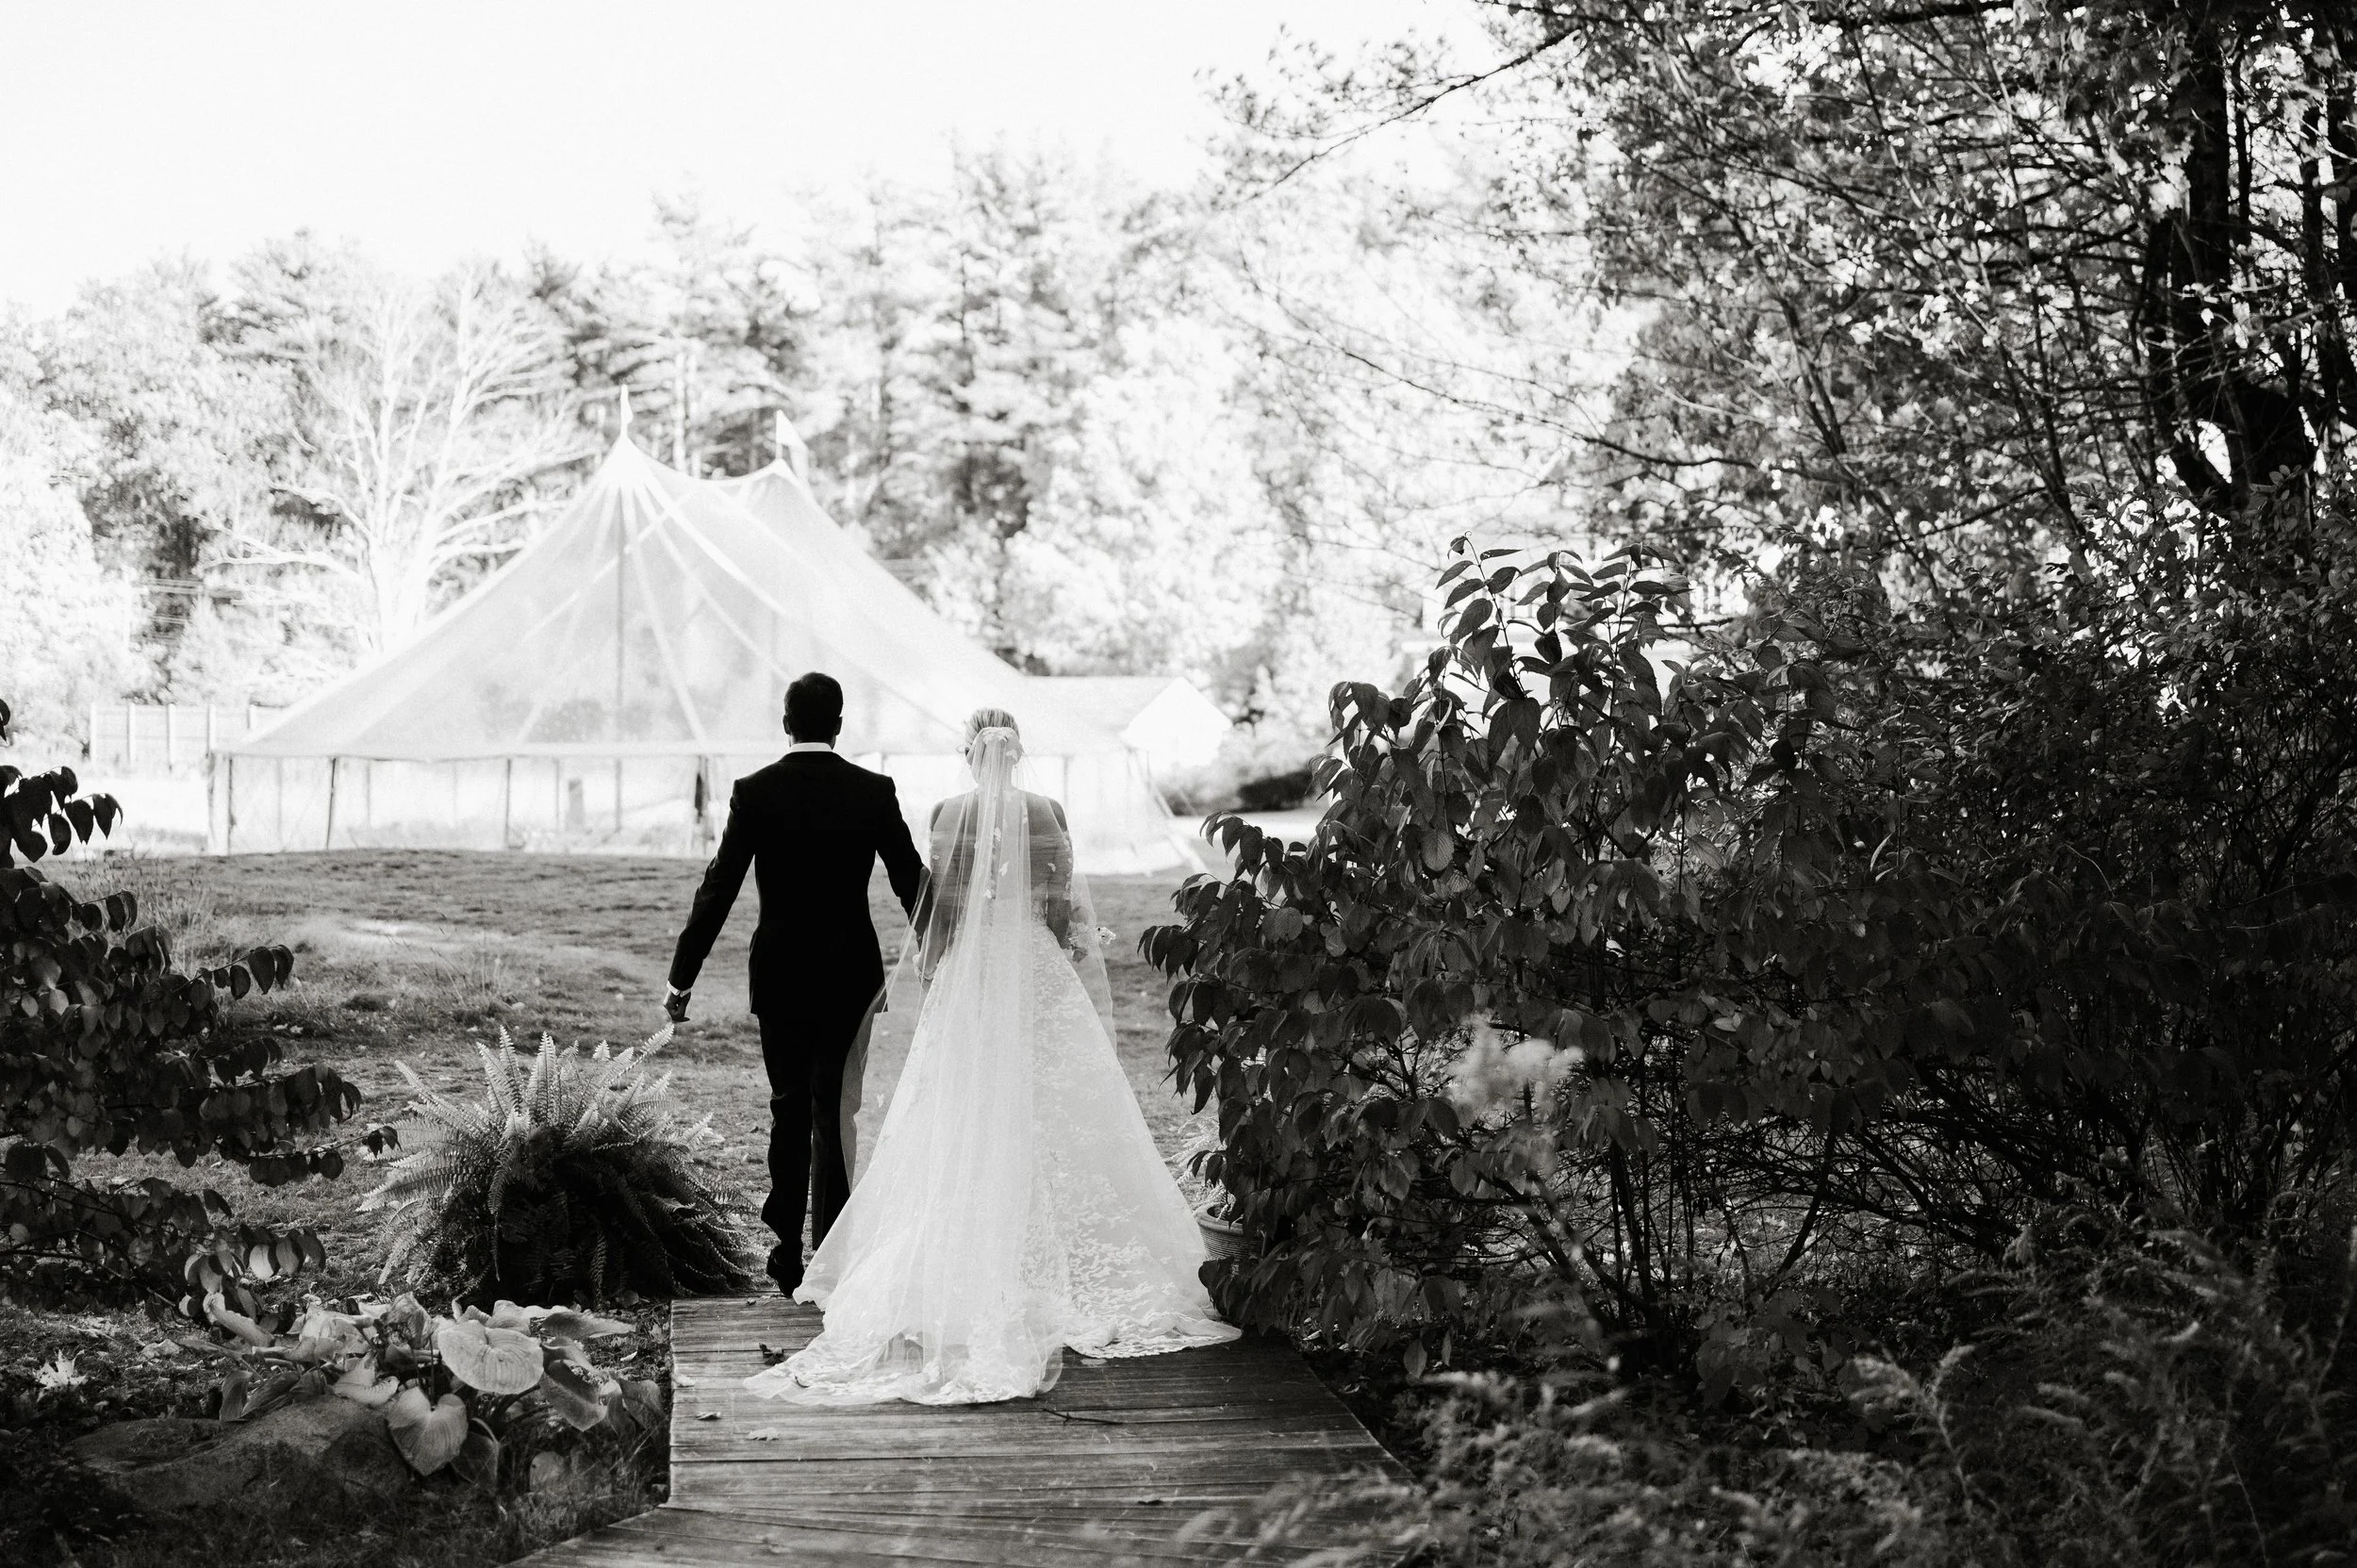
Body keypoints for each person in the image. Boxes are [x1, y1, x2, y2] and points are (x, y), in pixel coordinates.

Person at [745, 707, 1239, 1406]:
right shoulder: (1048, 811)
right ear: (1018, 749)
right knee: (1052, 1104)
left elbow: (941, 903)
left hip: (973, 970)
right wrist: (1062, 947)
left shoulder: (948, 812)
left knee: (963, 1102)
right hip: (1033, 966)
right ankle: (1048, 1249)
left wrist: (937, 969)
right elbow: (1062, 903)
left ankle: (972, 1241)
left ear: (968, 753)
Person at [664, 671, 924, 1296]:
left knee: (788, 1107)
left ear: (786, 723)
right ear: (839, 725)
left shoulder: (755, 792)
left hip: (780, 976)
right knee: (835, 1110)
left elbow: (719, 886)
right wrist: (946, 952)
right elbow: (909, 879)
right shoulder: (873, 790)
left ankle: (786, 1248)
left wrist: (681, 978)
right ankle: (831, 1249)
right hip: (851, 977)